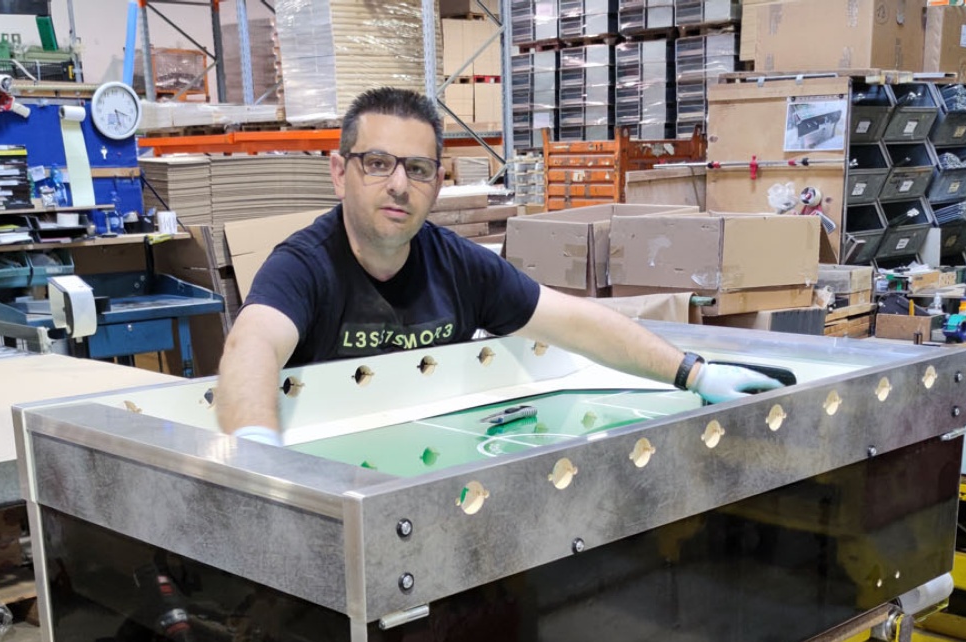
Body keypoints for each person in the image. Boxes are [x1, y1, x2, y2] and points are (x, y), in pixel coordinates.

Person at [216, 87, 781, 444]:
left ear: (438, 182)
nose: (398, 184)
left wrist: (693, 374)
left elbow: (577, 322)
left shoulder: (458, 266)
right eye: (377, 163)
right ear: (340, 174)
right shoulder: (304, 266)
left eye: (418, 168)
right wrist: (259, 454)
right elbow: (252, 346)